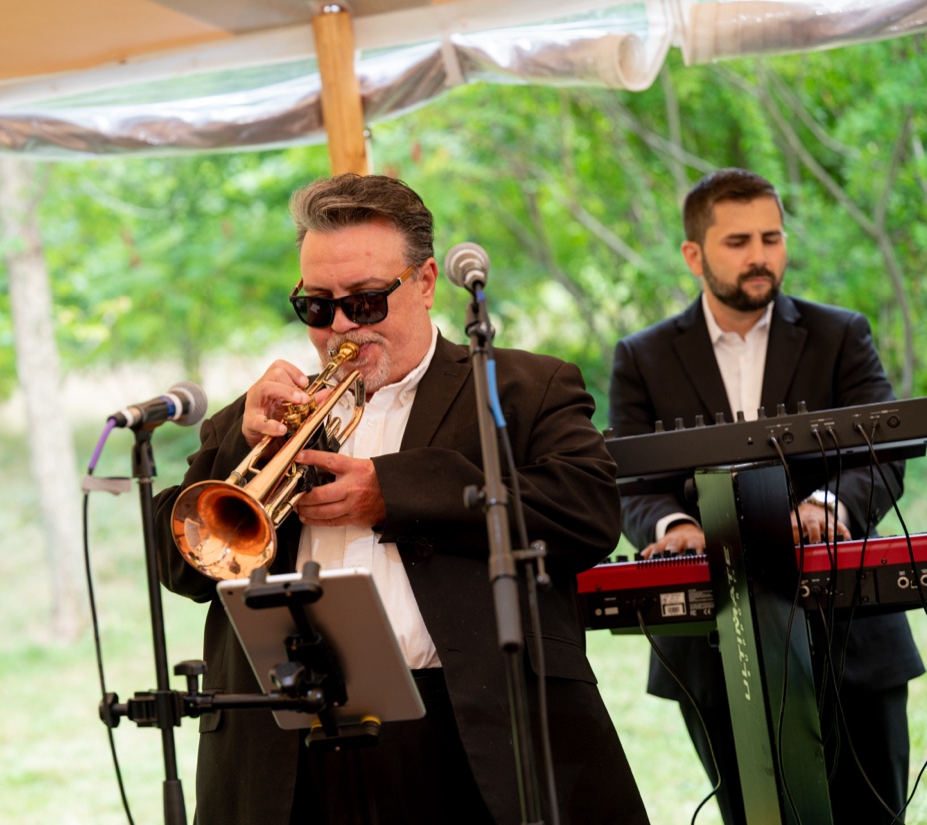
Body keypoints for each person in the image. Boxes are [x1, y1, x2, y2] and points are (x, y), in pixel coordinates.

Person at [153, 173, 647, 824]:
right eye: (317, 306)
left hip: (468, 731)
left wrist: (395, 491)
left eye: (364, 302)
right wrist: (232, 452)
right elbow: (180, 564)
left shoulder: (526, 385)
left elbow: (589, 512)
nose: (338, 327)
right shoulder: (256, 417)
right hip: (292, 748)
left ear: (424, 282)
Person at [609, 167, 922, 824]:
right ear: (693, 253)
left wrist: (826, 507)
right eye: (738, 241)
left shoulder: (842, 333)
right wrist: (672, 523)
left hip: (852, 640)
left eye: (772, 237)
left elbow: (885, 455)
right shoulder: (642, 357)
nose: (759, 256)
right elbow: (633, 483)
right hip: (716, 650)